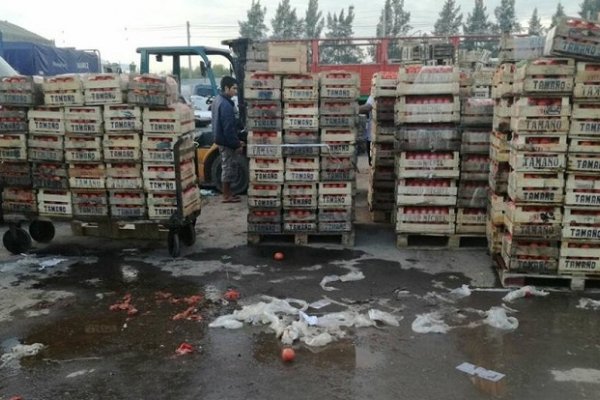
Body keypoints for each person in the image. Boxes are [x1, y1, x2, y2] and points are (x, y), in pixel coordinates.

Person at [212, 76, 243, 203]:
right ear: (226, 88)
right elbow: (228, 128)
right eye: (234, 88)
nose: (235, 91)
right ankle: (226, 195)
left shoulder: (218, 100)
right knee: (228, 167)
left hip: (221, 139)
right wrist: (237, 144)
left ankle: (229, 192)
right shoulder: (225, 105)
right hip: (225, 141)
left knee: (228, 166)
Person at [358, 95, 375, 166]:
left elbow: (367, 108)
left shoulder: (374, 95)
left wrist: (353, 109)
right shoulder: (373, 95)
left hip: (374, 136)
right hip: (372, 134)